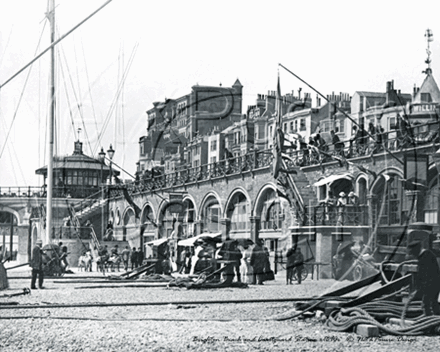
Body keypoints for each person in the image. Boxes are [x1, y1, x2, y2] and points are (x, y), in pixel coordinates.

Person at [407, 241, 440, 316]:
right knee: (431, 303)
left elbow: (425, 274)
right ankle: (433, 319)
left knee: (427, 303)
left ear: (416, 250)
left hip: (432, 283)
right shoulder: (425, 255)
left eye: (412, 253)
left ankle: (431, 321)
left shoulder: (426, 256)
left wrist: (419, 289)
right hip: (432, 283)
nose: (412, 255)